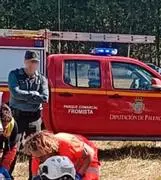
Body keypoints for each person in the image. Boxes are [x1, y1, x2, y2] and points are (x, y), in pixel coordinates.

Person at [8, 50, 49, 179]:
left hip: (34, 118)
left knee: (36, 150)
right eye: (31, 62)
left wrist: (25, 96)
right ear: (25, 62)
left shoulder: (42, 79)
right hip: (18, 117)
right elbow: (15, 93)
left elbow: (45, 98)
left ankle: (34, 176)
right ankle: (6, 175)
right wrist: (34, 95)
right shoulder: (14, 75)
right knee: (13, 147)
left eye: (35, 62)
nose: (33, 65)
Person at [23, 131, 100, 180]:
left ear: (48, 149)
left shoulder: (67, 143)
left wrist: (78, 175)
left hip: (86, 156)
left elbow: (90, 153)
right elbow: (35, 176)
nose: (40, 160)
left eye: (41, 157)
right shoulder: (37, 154)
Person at [0, 104, 18, 179]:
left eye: (7, 124)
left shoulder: (13, 125)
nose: (5, 127)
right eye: (3, 124)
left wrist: (5, 166)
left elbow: (12, 148)